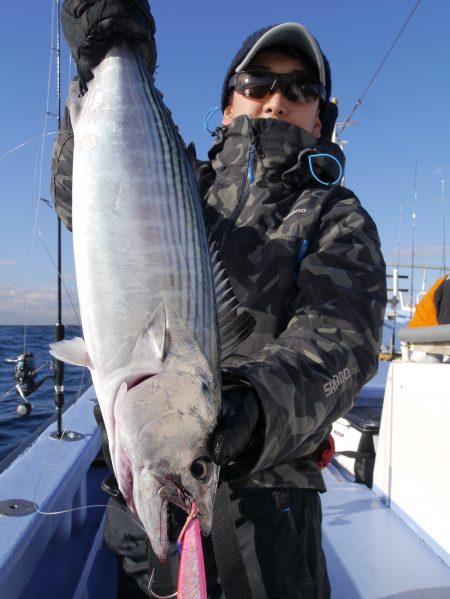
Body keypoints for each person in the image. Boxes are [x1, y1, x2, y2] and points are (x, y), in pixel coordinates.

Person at [52, 2, 387, 597]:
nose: (276, 98)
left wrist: (250, 409)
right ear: (229, 102)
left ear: (321, 120)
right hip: (142, 513)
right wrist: (99, 62)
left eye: (300, 87)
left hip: (269, 525)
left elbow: (341, 343)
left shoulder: (336, 216)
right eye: (257, 82)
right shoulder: (181, 181)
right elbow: (82, 195)